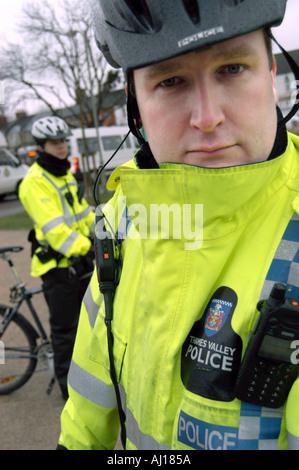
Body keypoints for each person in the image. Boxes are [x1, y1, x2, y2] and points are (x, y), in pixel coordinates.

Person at [58, 0, 299, 450]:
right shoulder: (121, 221)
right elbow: (88, 400)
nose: (207, 118)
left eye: (232, 68)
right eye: (170, 80)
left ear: (271, 74)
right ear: (135, 108)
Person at [19, 116, 95, 399]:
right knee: (66, 333)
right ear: (42, 146)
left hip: (79, 264)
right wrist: (88, 247)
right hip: (58, 268)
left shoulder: (64, 174)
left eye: (64, 140)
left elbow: (82, 214)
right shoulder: (34, 181)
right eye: (55, 142)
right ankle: (69, 391)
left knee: (89, 326)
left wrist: (102, 231)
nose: (62, 146)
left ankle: (88, 378)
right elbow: (55, 230)